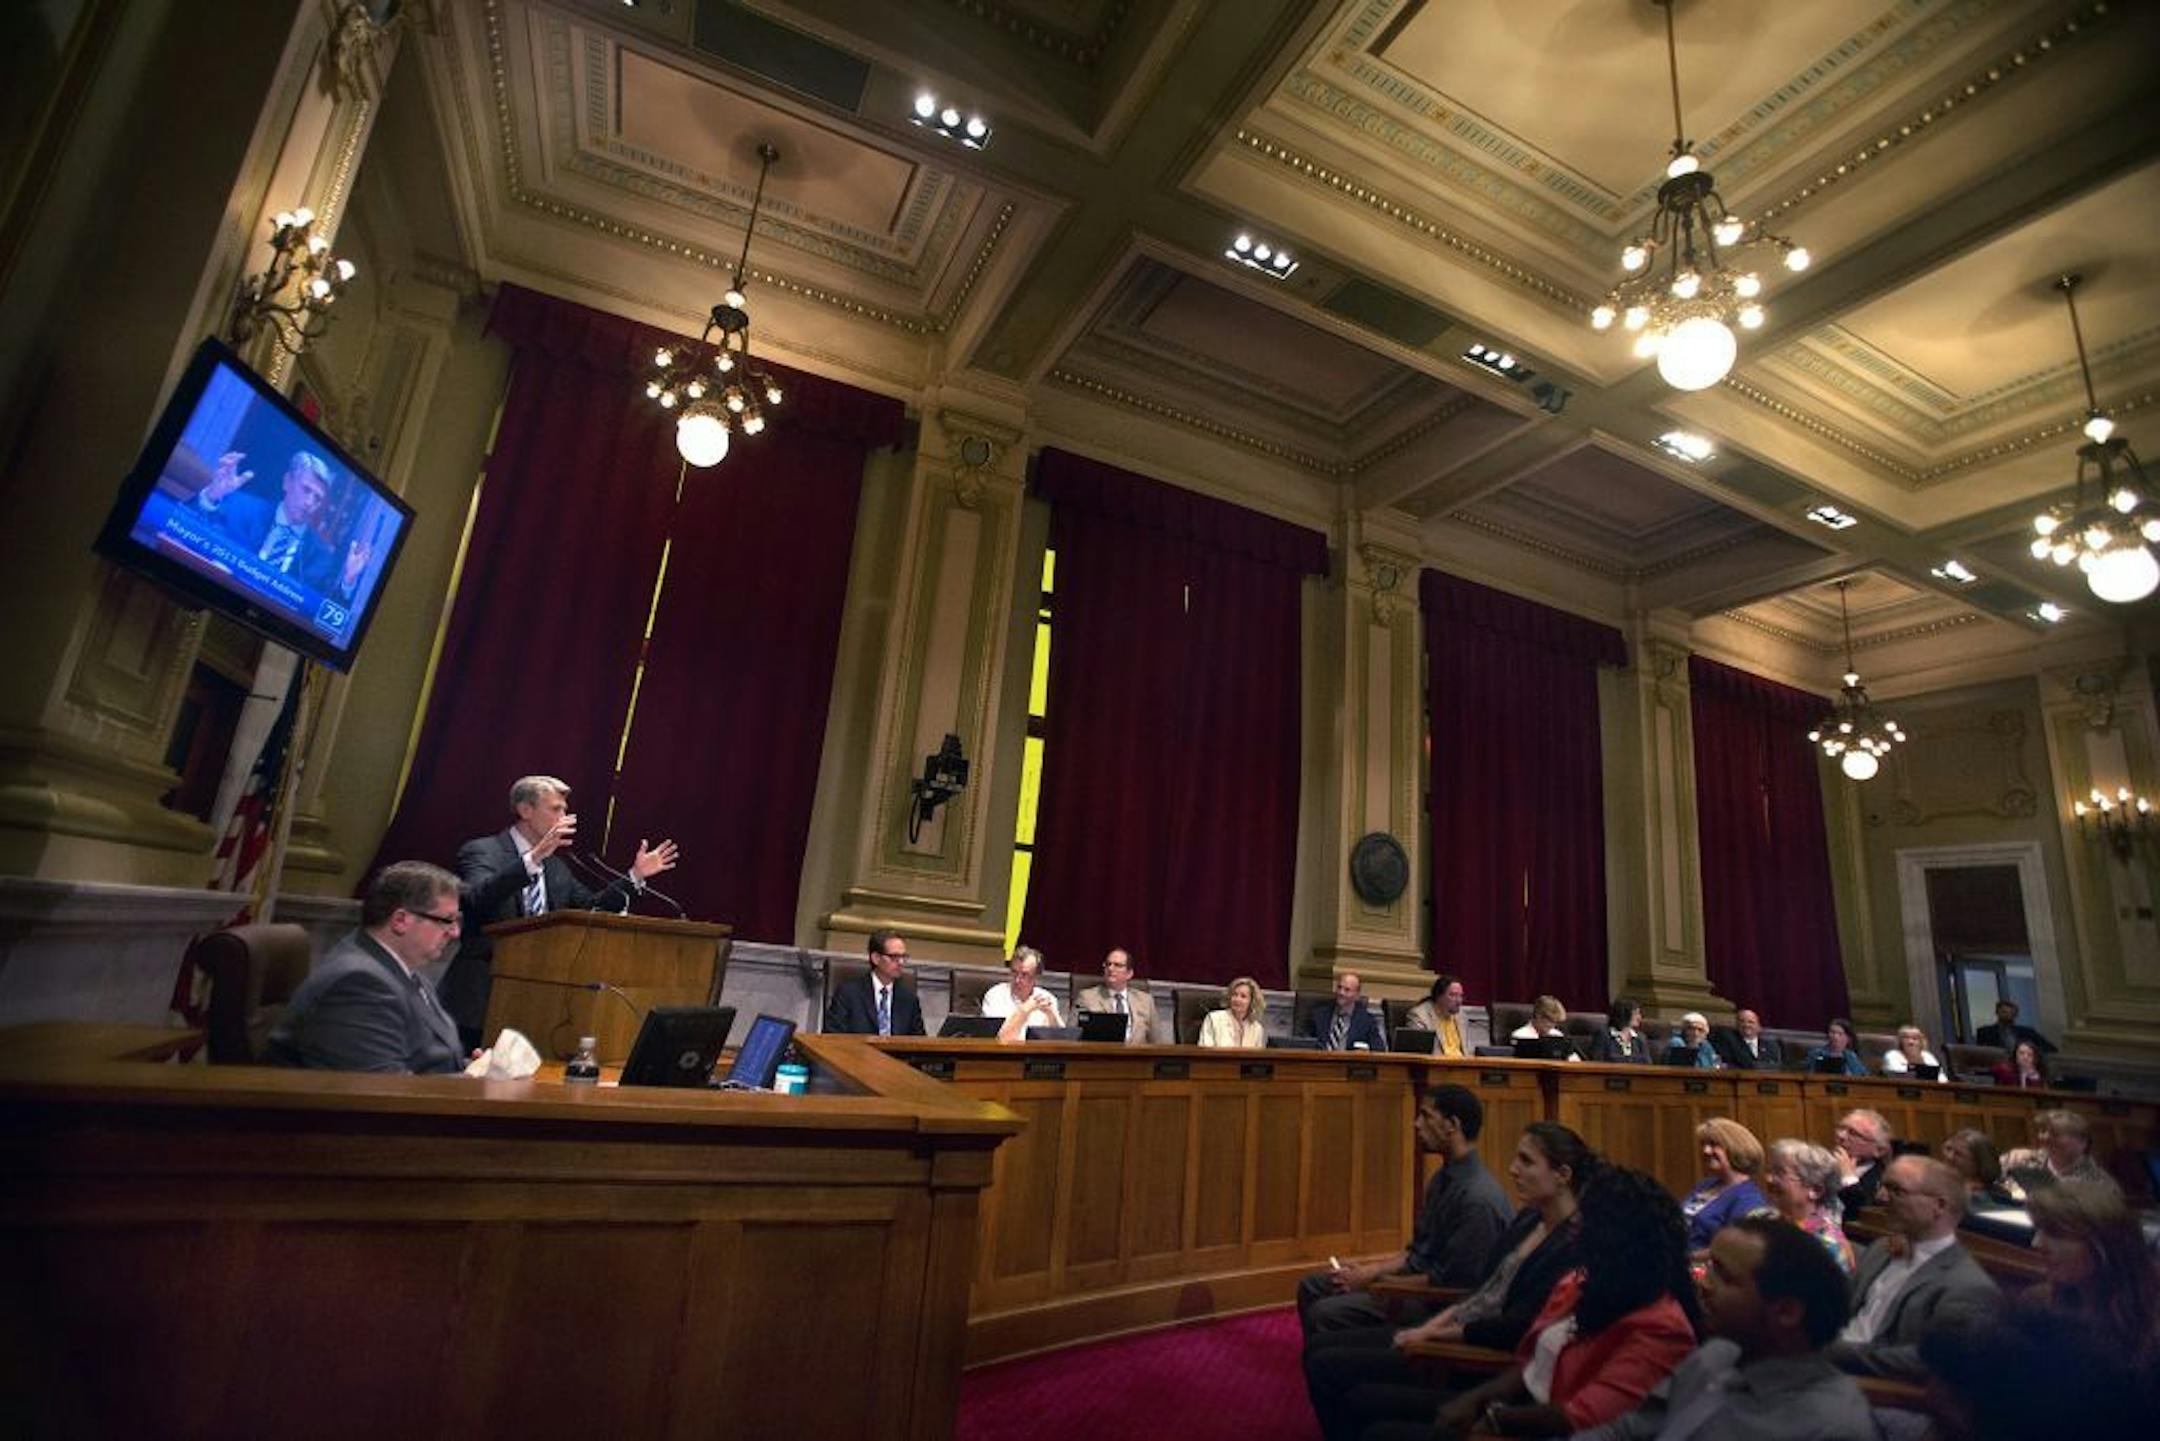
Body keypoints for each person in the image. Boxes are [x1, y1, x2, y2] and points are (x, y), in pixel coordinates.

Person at [1361, 1167, 1703, 1440]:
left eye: (1589, 1222)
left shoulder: (1661, 1326)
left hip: (1542, 1427)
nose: (1577, 1229)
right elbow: (1534, 1362)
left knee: (1376, 1420)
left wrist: (1494, 1418)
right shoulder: (1589, 1284)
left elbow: (1582, 1417)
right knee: (1365, 1400)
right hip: (1519, 1404)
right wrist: (1480, 1399)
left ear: (1613, 1238)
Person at [1305, 1123, 1590, 1441]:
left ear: (1563, 1174)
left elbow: (1514, 1328)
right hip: (1451, 1331)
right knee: (1322, 1353)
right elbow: (1479, 1294)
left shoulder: (1572, 1246)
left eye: (1526, 1161)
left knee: (1335, 1373)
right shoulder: (1529, 1220)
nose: (1513, 1169)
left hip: (1473, 1358)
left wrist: (1432, 1334)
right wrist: (1429, 1330)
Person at [1571, 1215, 1875, 1441]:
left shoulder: (1831, 1426)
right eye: (1710, 1268)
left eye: (1725, 1277)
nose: (1703, 1283)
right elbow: (1635, 1428)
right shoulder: (1714, 1354)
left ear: (1786, 1312)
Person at [446, 774, 679, 1051]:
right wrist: (531, 859)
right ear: (525, 810)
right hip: (482, 996)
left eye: (565, 809)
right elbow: (476, 899)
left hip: (540, 1001)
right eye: (556, 809)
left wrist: (635, 876)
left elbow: (591, 908)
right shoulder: (483, 851)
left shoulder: (556, 868)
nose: (565, 816)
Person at [1298, 1084, 1511, 1336]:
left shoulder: (1477, 1200)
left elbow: (1455, 1287)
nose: (1416, 1124)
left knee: (1326, 1312)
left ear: (1451, 1125)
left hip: (1434, 1306)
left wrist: (1378, 1283)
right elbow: (1417, 1255)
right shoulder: (1443, 1179)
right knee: (1313, 1286)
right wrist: (1369, 1271)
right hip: (1415, 1284)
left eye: (1426, 1116)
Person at [266, 861, 469, 1074]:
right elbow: (383, 1087)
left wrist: (472, 1069)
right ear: (400, 920)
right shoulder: (358, 983)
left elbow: (426, 1056)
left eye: (457, 921)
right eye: (446, 920)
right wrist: (472, 1085)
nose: (454, 932)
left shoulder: (402, 970)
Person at [1827, 1155, 2000, 1382]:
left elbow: (1929, 1361)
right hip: (1830, 1367)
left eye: (1896, 1191)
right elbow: (1842, 1310)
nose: (1880, 1197)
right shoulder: (1881, 1249)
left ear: (1939, 1206)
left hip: (1879, 1389)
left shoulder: (1968, 1285)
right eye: (1883, 1187)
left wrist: (1832, 1352)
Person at [193, 447, 369, 596]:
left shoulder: (320, 556)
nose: (310, 502)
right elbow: (190, 533)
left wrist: (348, 581)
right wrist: (211, 496)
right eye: (306, 489)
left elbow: (318, 609)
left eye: (317, 498)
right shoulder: (243, 507)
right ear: (287, 482)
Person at [2022, 1181, 2159, 1360]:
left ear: (2106, 1246)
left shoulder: (2153, 1323)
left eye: (2055, 1233)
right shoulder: (2038, 1301)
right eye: (2037, 1230)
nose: (2037, 1243)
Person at [1758, 1138, 1856, 1276]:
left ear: (1815, 1190)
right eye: (1770, 1171)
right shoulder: (1761, 1216)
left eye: (1780, 1173)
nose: (1768, 1179)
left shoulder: (1826, 1247)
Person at [1681, 1117, 1766, 1252]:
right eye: (1703, 1144)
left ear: (1735, 1148)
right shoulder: (1704, 1185)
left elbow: (1735, 1249)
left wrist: (1688, 1258)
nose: (1706, 1151)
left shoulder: (1748, 1198)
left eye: (1713, 1144)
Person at [824, 929, 925, 1036]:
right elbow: (832, 1036)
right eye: (894, 957)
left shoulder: (909, 999)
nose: (901, 962)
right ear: (875, 958)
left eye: (903, 957)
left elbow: (920, 1043)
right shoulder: (848, 993)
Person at [1072, 946, 1160, 1045]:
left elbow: (1157, 1042)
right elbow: (1071, 1036)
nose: (1110, 968)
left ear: (1129, 973)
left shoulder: (1145, 1001)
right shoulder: (1086, 997)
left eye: (1117, 965)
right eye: (1108, 964)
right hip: (1101, 1057)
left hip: (1137, 1058)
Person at [2032, 1108, 2117, 1191]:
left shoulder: (2101, 1184)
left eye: (2056, 1134)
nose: (2045, 1137)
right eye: (2043, 1131)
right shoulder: (2029, 1164)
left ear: (2082, 1142)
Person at [981, 946, 1063, 1031]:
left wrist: (1051, 1015)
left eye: (1024, 975)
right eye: (1014, 972)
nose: (1017, 980)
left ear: (1036, 977)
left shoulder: (1047, 998)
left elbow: (1062, 1038)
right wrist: (1025, 1010)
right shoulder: (995, 995)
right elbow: (997, 1037)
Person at [1404, 973, 1482, 1057]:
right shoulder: (1420, 1016)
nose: (1459, 1001)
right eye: (1453, 995)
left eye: (1461, 996)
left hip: (1462, 1066)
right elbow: (1418, 1053)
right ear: (1438, 996)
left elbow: (1468, 1051)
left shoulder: (1461, 1016)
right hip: (1438, 1067)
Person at [1831, 1108, 1893, 1212]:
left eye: (1853, 1133)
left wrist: (1849, 1178)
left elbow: (1861, 1217)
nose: (1840, 1135)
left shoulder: (1885, 1181)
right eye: (1841, 1128)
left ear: (1879, 1150)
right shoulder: (1820, 1165)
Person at [1303, 971, 1383, 1051]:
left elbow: (1379, 1050)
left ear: (1357, 995)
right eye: (1339, 987)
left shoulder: (1367, 1022)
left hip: (1350, 1062)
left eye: (1347, 990)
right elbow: (1303, 1043)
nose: (1341, 993)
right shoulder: (1318, 1015)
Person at [1938, 1129, 2012, 1207]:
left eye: (1959, 1154)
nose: (1949, 1156)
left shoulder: (1995, 1197)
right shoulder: (1939, 1184)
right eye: (1948, 1149)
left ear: (1979, 1163)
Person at [1197, 976, 1267, 1048]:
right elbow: (1204, 1051)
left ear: (1252, 1001)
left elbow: (1258, 1056)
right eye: (1234, 995)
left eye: (1243, 996)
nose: (1237, 999)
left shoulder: (1257, 1028)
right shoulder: (1213, 1019)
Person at [1710, 1006, 1786, 1070]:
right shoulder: (1729, 1042)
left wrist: (1753, 1066)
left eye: (1751, 1022)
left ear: (1759, 1027)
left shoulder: (1771, 1046)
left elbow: (1777, 1066)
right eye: (1742, 1021)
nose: (1746, 1025)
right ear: (1736, 1025)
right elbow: (1727, 1065)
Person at [1974, 998, 2054, 1055]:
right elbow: (1980, 1053)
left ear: (2015, 1015)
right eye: (2004, 1012)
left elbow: (2050, 1048)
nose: (2007, 1015)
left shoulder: (2027, 1032)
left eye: (2011, 1013)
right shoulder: (1985, 1032)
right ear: (1997, 1013)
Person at [1588, 997, 1648, 1063]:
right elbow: (1597, 1061)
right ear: (1624, 1014)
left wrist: (1618, 1059)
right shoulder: (1604, 1035)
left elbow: (1647, 1062)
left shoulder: (1640, 1038)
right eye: (1636, 1013)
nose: (1639, 1017)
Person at [1880, 1024, 1947, 1082]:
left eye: (1915, 1038)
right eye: (1906, 1038)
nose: (1911, 1042)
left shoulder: (1928, 1056)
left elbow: (1942, 1078)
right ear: (1900, 1041)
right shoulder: (1892, 1055)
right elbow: (1898, 1076)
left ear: (1921, 1042)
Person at [1804, 1018, 1868, 1076]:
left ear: (1848, 1038)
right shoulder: (1816, 1054)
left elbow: (1863, 1075)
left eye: (1839, 1034)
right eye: (1832, 1033)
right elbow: (1809, 1073)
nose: (1835, 1037)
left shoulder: (1851, 1056)